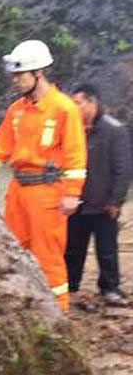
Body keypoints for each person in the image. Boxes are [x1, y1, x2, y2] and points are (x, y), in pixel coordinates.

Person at [0, 39, 86, 312]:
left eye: (20, 75)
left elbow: (75, 156)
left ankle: (58, 315)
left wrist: (71, 194)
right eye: (15, 75)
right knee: (12, 252)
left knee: (48, 256)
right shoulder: (17, 110)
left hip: (48, 194)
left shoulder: (63, 109)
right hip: (18, 192)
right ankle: (22, 310)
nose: (15, 81)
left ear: (38, 73)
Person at [65, 83, 131, 306]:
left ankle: (110, 288)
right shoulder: (72, 130)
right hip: (77, 201)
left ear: (92, 102)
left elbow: (123, 169)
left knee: (107, 249)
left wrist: (116, 200)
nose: (74, 108)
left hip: (104, 204)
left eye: (78, 103)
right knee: (73, 249)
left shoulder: (115, 130)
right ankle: (69, 286)